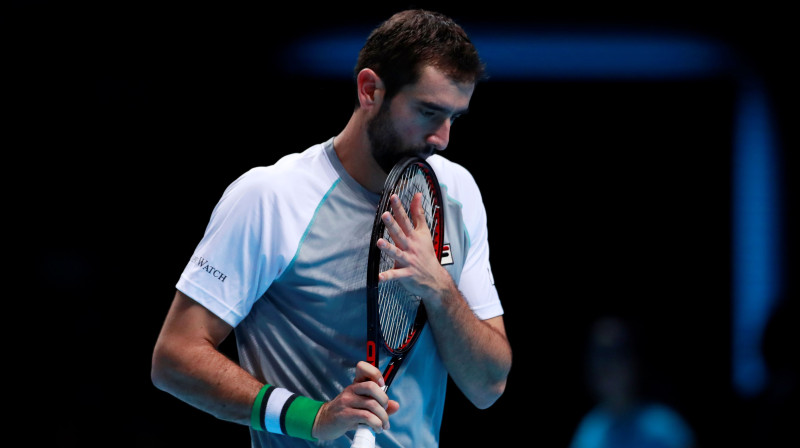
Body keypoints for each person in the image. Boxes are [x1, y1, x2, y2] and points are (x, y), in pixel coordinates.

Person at [151, 9, 512, 447]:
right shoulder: (271, 197)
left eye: (454, 118)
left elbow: (488, 385)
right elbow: (175, 358)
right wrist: (313, 417)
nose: (441, 138)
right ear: (370, 90)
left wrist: (438, 287)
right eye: (428, 111)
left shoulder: (457, 192)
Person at [569, 315, 695, 448]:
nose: (605, 364)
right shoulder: (588, 433)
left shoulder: (666, 428)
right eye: (598, 354)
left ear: (632, 361)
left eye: (614, 353)